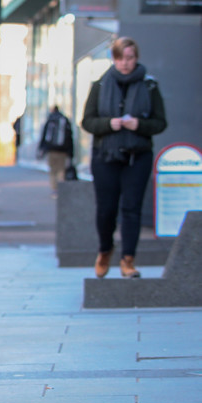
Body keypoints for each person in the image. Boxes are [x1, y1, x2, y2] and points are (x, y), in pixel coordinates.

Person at [81, 37, 167, 279]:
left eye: (129, 58)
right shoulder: (100, 85)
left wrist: (138, 124)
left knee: (131, 208)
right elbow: (87, 121)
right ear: (113, 59)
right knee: (106, 211)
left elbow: (161, 123)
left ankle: (128, 260)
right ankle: (105, 249)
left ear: (136, 58)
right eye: (120, 58)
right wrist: (110, 123)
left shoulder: (150, 86)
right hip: (105, 156)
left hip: (137, 156)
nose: (125, 63)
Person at [37, 105, 74, 195]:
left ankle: (54, 189)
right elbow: (70, 137)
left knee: (53, 170)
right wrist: (71, 152)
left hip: (51, 150)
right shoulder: (64, 120)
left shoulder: (50, 120)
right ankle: (60, 190)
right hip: (63, 151)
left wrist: (41, 149)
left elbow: (44, 135)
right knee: (61, 170)